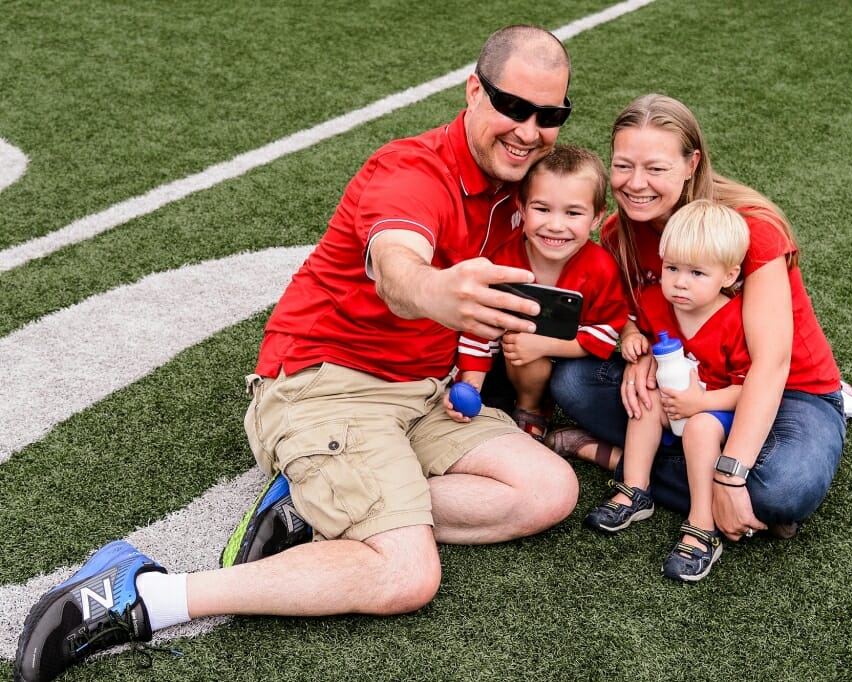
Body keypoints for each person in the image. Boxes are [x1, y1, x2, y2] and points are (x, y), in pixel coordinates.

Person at [15, 25, 580, 682]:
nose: (530, 129)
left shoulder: (528, 189)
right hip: (325, 383)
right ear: (473, 91)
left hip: (420, 392)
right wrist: (437, 293)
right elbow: (397, 266)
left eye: (550, 116)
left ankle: (315, 506)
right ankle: (139, 594)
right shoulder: (411, 171)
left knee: (547, 490)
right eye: (514, 107)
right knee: (406, 575)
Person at [547, 93, 847, 544]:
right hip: (686, 378)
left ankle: (615, 459)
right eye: (624, 165)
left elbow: (771, 365)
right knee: (570, 381)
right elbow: (636, 317)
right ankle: (687, 479)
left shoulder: (753, 229)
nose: (635, 183)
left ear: (691, 165)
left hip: (790, 391)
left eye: (656, 168)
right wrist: (641, 354)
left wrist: (730, 475)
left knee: (783, 490)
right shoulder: (618, 234)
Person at [583, 200, 751, 582]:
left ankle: (703, 525)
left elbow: (749, 389)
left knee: (701, 428)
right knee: (647, 397)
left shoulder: (735, 319)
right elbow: (633, 323)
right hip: (675, 401)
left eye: (696, 273)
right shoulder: (657, 300)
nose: (679, 281)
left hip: (719, 408)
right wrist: (632, 341)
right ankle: (635, 489)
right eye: (671, 268)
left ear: (728, 275)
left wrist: (702, 403)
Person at [453, 145, 629, 440]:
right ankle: (529, 404)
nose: (556, 225)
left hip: (575, 359)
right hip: (515, 360)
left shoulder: (601, 268)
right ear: (521, 207)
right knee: (513, 347)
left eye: (573, 212)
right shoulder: (502, 263)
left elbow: (606, 333)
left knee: (543, 358)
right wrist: (469, 386)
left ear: (597, 218)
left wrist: (545, 345)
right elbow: (479, 331)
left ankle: (532, 410)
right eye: (542, 209)